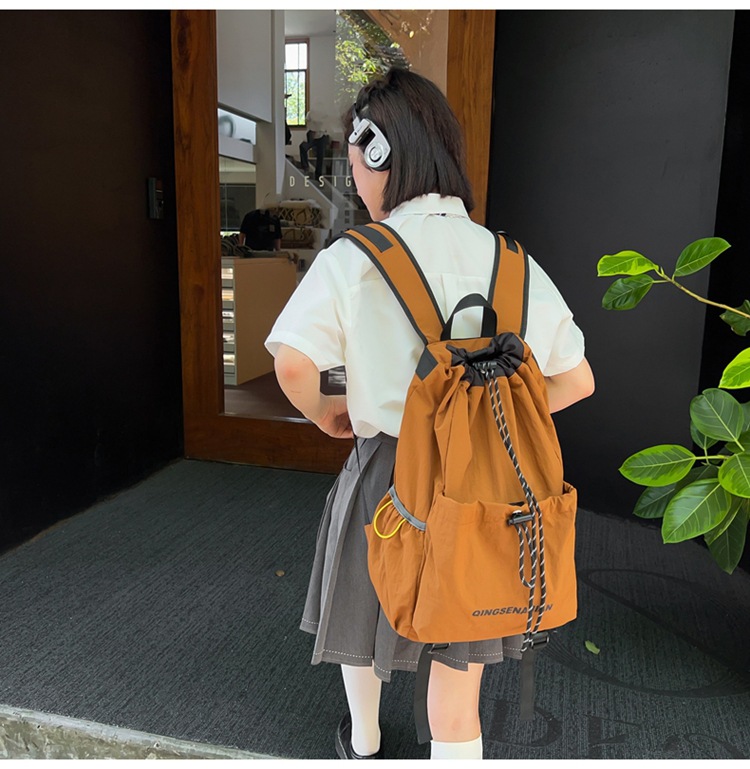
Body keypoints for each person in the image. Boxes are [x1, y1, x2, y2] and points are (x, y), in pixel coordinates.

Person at [265, 67, 595, 760]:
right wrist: (494, 421)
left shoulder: (354, 257)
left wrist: (327, 413)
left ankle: (364, 740)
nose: (355, 182)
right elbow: (576, 379)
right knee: (459, 659)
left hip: (387, 468)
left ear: (380, 153)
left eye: (355, 164)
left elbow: (292, 364)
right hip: (483, 479)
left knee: (362, 609)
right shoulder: (510, 260)